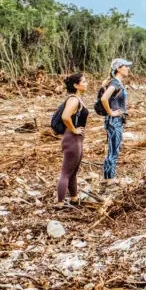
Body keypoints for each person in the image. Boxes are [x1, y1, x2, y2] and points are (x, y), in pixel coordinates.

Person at [56, 73, 89, 207]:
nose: (86, 83)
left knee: (73, 172)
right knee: (65, 173)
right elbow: (65, 116)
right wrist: (74, 130)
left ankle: (74, 198)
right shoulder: (74, 100)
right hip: (72, 139)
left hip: (76, 139)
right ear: (76, 85)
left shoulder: (77, 99)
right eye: (84, 81)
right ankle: (60, 203)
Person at [100, 58, 132, 186]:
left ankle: (107, 177)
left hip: (115, 120)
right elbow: (104, 98)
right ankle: (110, 178)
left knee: (113, 148)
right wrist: (111, 112)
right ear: (118, 68)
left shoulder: (117, 83)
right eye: (126, 66)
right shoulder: (115, 83)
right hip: (114, 121)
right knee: (114, 149)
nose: (128, 68)